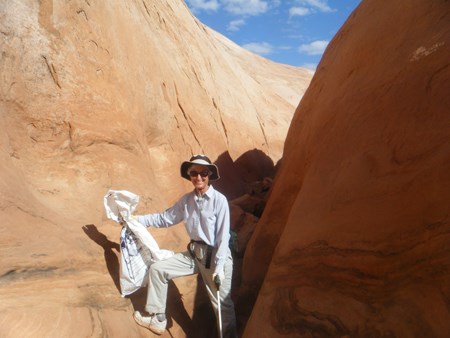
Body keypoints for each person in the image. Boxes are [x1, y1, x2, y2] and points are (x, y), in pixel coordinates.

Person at [133, 154, 238, 337]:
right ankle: (158, 319)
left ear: (209, 174)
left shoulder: (219, 200)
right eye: (194, 173)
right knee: (158, 269)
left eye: (203, 172)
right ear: (189, 175)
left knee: (222, 305)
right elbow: (164, 218)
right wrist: (137, 220)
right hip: (195, 254)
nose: (199, 177)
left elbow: (223, 237)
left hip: (215, 257)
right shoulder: (187, 201)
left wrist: (219, 267)